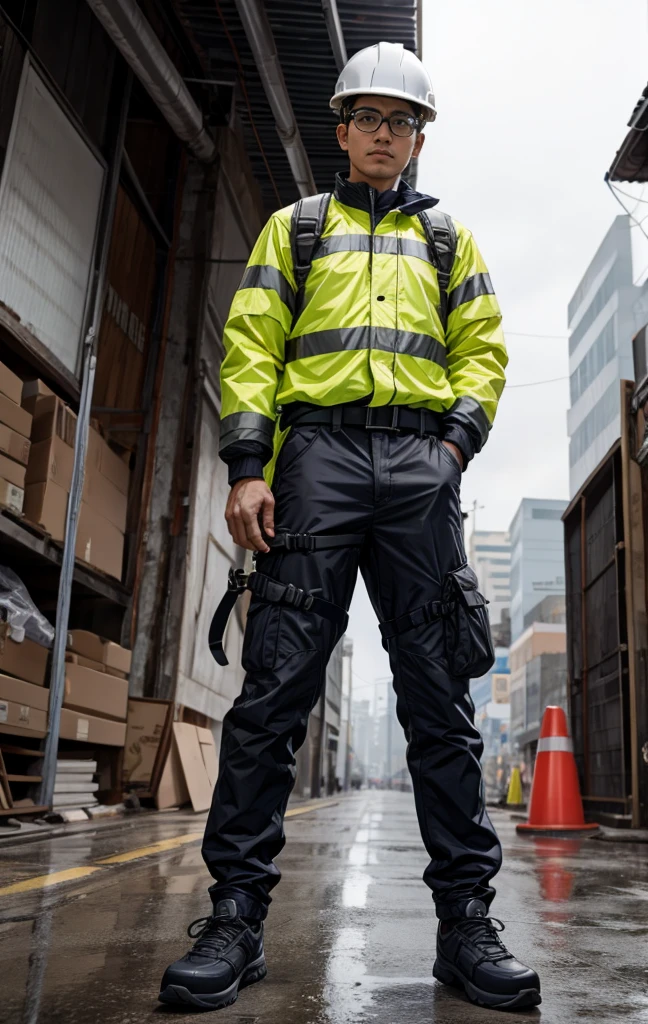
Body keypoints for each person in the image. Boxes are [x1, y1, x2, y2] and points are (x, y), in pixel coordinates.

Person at [159, 41, 541, 1013]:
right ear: (341, 130)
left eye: (401, 121)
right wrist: (249, 467)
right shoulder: (295, 232)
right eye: (368, 118)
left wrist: (452, 449)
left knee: (440, 713)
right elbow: (250, 347)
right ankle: (235, 916)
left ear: (419, 139)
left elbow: (484, 352)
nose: (384, 134)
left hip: (420, 471)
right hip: (316, 465)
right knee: (274, 693)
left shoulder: (449, 242)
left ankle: (466, 926)